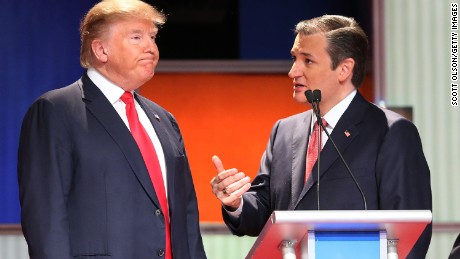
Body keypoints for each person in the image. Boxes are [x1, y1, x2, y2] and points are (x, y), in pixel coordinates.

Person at [210, 14, 432, 258]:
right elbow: (263, 212)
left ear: (344, 69)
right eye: (294, 58)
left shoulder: (391, 132)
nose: (293, 71)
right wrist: (236, 203)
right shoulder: (283, 131)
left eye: (308, 61)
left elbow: (412, 234)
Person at [17, 1, 207, 258]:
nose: (151, 47)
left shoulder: (164, 120)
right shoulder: (55, 111)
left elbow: (185, 214)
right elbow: (46, 219)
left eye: (152, 37)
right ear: (101, 49)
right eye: (136, 37)